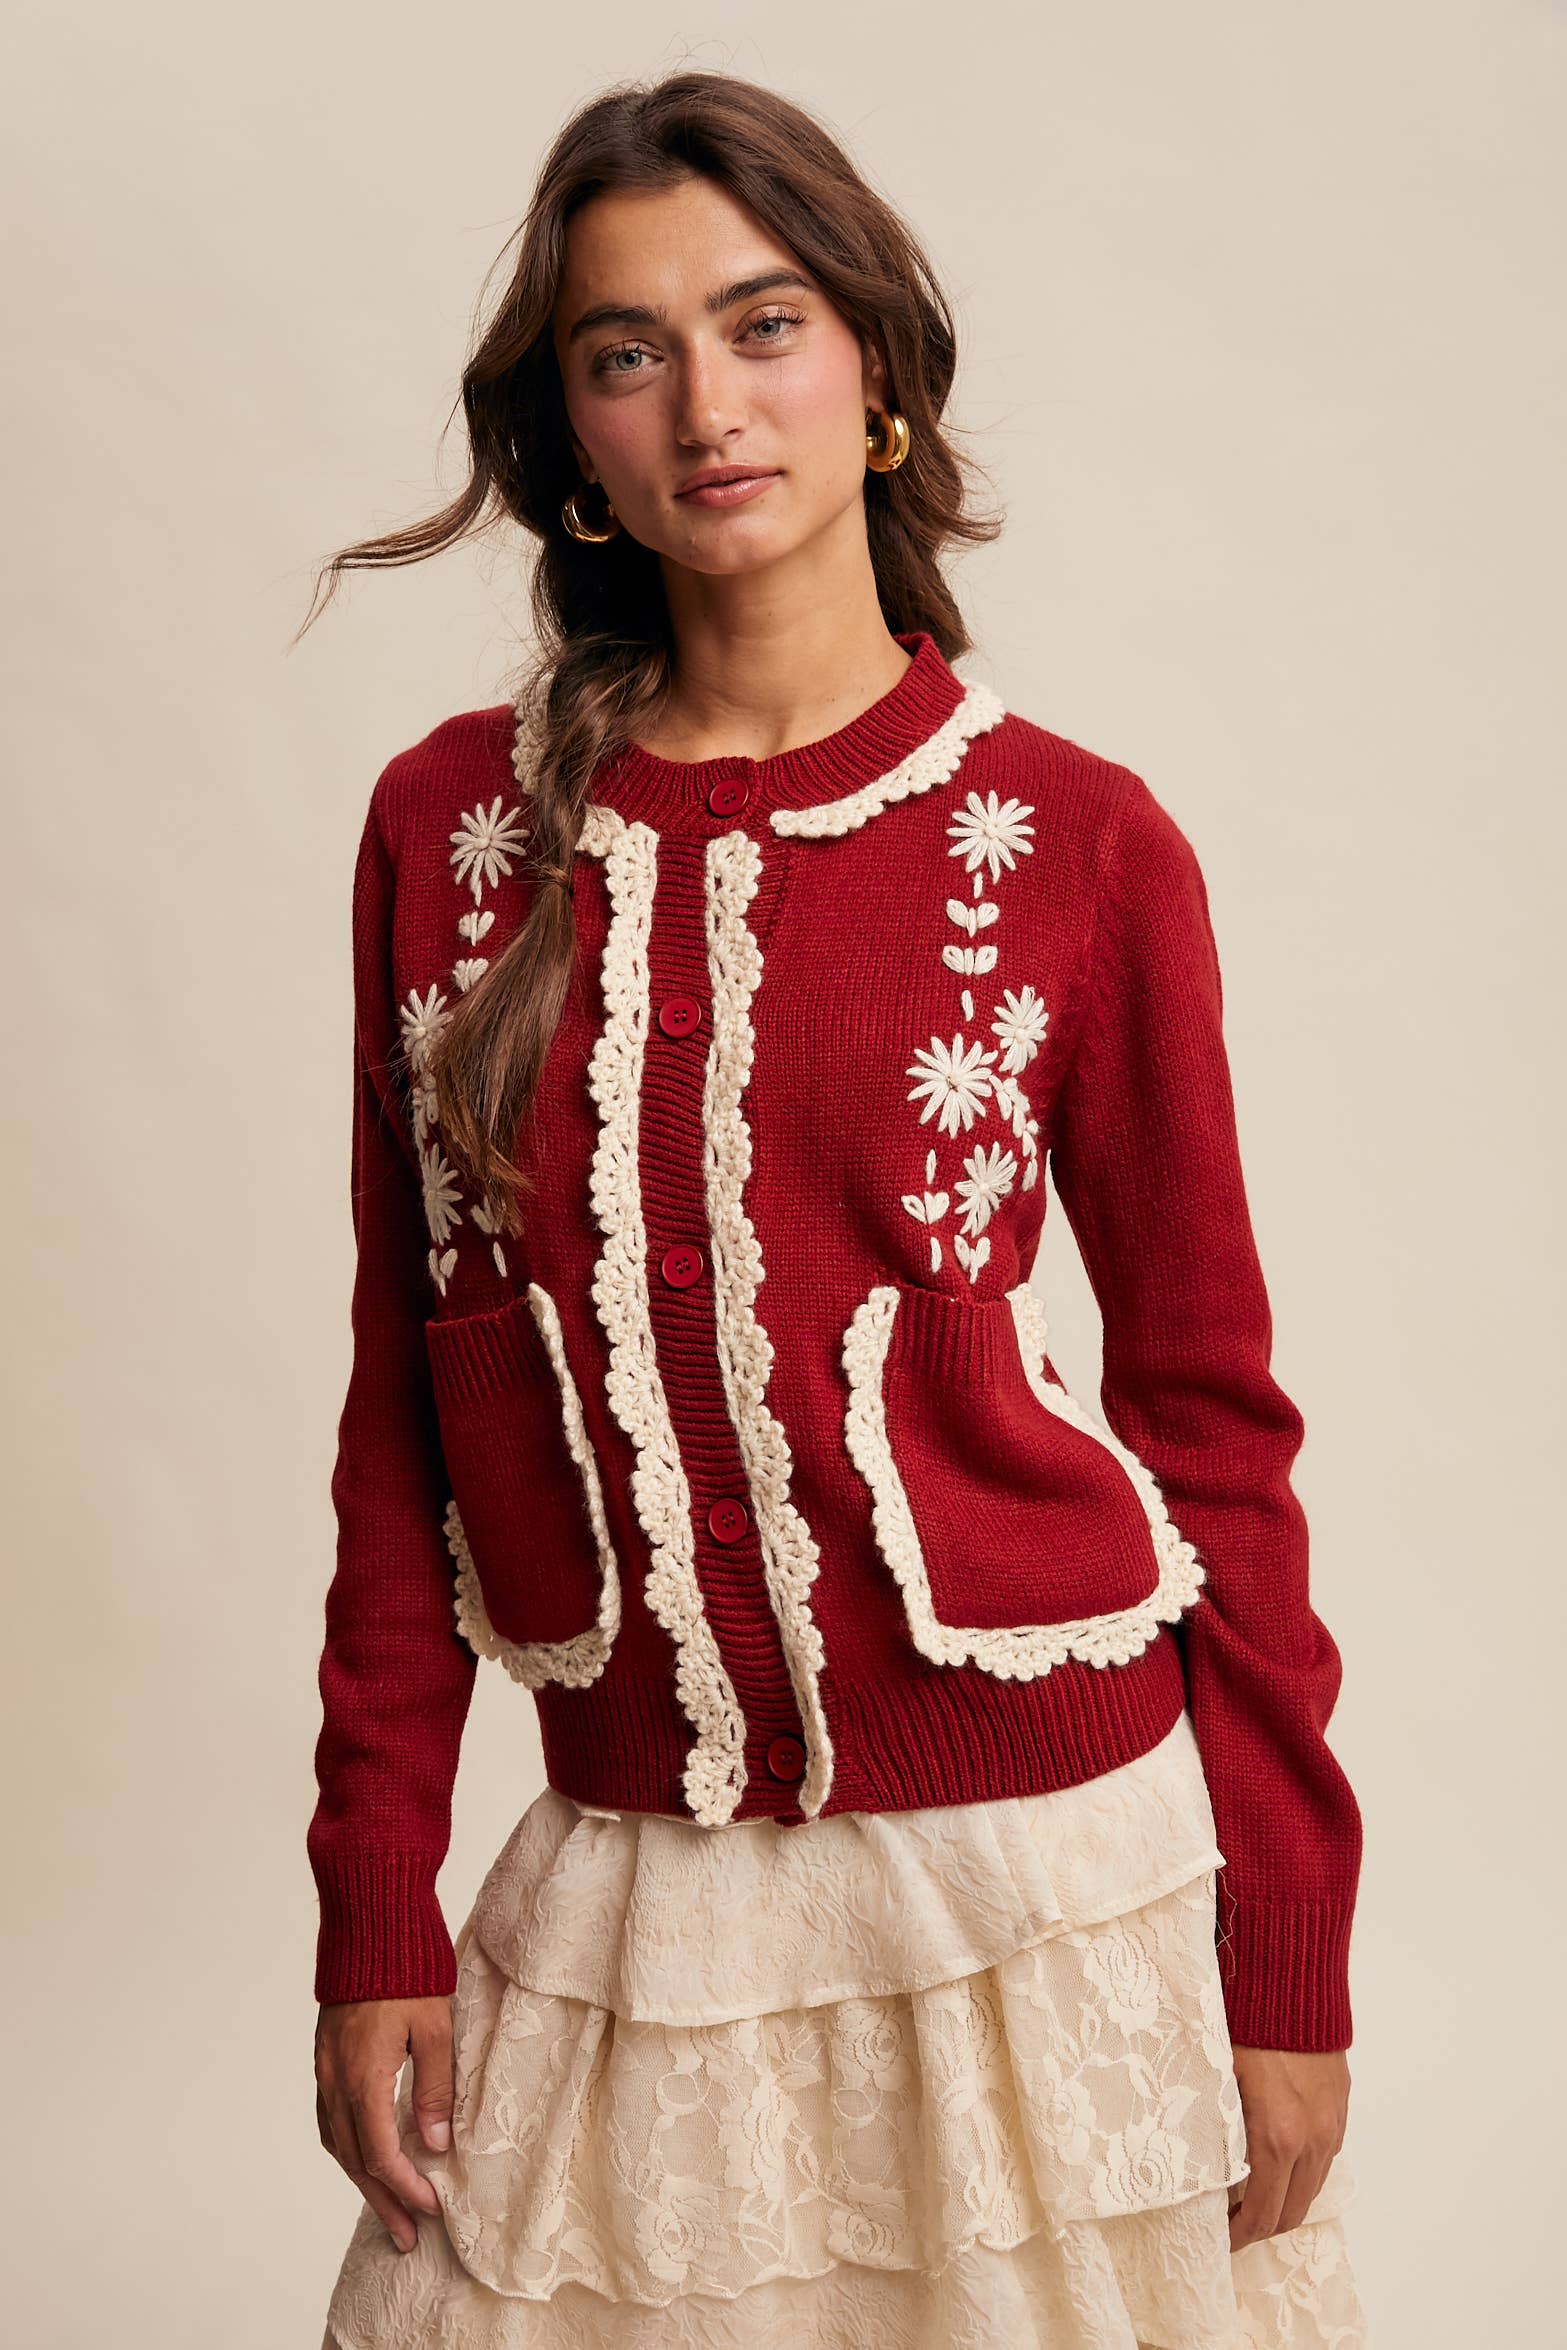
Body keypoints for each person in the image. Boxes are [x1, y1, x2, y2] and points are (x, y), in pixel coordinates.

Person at [304, 67, 1371, 2350]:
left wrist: (1289, 1946)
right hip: (637, 1898)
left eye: (763, 322)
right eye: (627, 351)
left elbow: (1213, 1421)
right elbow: (410, 1410)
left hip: (1040, 1882)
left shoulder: (1078, 845)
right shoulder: (450, 843)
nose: (706, 404)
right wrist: (375, 1899)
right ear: (569, 439)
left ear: (872, 368)